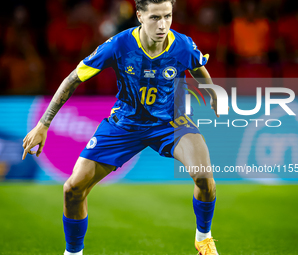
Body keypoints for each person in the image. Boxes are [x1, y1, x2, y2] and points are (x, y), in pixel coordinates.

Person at [22, 0, 220, 254]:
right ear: (139, 15)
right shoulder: (119, 45)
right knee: (72, 189)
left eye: (168, 16)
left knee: (204, 177)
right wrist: (43, 124)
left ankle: (203, 238)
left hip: (172, 123)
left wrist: (212, 93)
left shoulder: (181, 44)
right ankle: (73, 252)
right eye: (155, 18)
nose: (163, 25)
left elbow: (198, 67)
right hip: (125, 125)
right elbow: (73, 79)